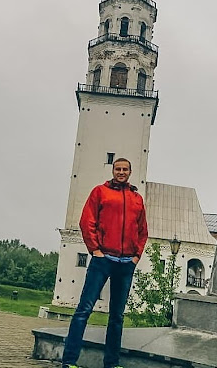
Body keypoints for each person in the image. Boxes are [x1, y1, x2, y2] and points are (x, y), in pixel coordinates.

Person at [62, 157, 148, 368]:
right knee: (84, 310)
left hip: (126, 263)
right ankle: (69, 361)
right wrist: (95, 250)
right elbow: (87, 221)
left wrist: (136, 256)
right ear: (113, 170)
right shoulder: (100, 192)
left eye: (125, 169)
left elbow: (142, 231)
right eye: (118, 169)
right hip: (103, 259)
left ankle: (111, 363)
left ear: (130, 172)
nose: (121, 172)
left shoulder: (137, 198)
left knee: (117, 316)